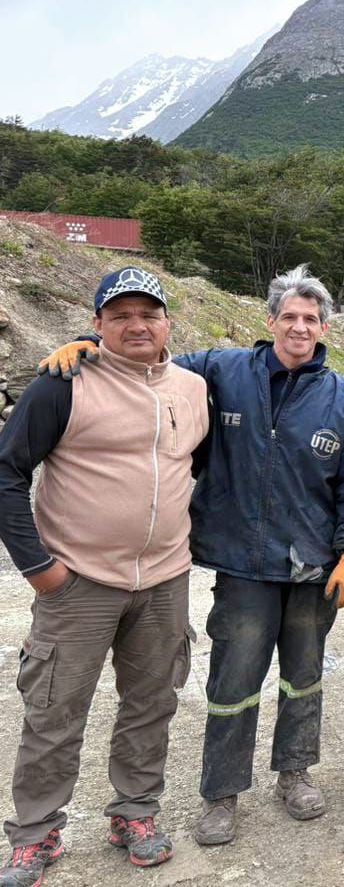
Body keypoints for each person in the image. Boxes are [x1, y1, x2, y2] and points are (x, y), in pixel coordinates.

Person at [37, 265, 344, 847]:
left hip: (311, 565)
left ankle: (294, 773)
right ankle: (222, 794)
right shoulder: (220, 371)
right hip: (242, 563)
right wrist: (93, 344)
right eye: (289, 316)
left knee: (303, 677)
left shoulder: (343, 398)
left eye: (311, 319)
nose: (300, 327)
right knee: (234, 680)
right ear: (269, 322)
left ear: (323, 327)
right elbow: (147, 366)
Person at [0, 267, 208, 884]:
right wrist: (39, 568)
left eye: (149, 313)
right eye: (120, 316)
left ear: (168, 321)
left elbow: (195, 467)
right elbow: (7, 474)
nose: (136, 325)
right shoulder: (62, 385)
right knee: (54, 708)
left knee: (151, 703)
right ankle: (36, 834)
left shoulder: (193, 388)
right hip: (79, 582)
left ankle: (135, 812)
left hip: (166, 580)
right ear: (96, 325)